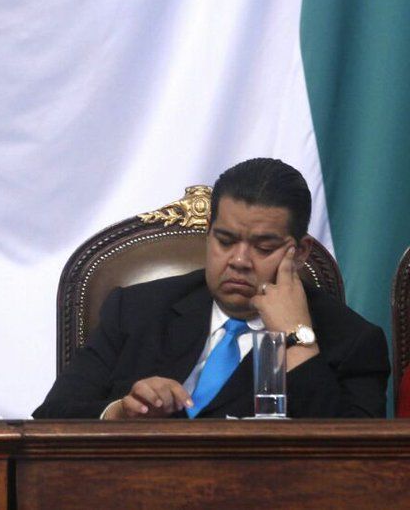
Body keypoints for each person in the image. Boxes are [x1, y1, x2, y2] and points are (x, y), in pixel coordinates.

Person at [34, 158, 389, 419]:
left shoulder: (354, 340)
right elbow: (52, 417)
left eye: (264, 247)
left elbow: (355, 462)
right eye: (225, 240)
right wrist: (120, 413)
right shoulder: (136, 309)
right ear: (208, 234)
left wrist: (296, 339)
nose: (239, 260)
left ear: (300, 253)